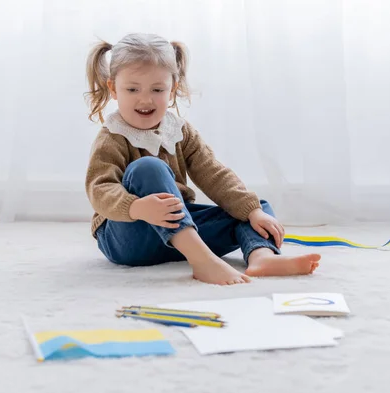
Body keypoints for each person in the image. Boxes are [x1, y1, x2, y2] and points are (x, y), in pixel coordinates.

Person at [84, 33, 320, 285]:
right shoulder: (113, 136)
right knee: (148, 167)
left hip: (178, 236)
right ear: (113, 89)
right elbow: (100, 189)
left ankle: (261, 256)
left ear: (172, 89)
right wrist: (135, 207)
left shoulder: (180, 131)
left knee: (253, 208)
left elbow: (214, 174)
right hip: (128, 238)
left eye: (157, 89)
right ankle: (202, 260)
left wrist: (251, 211)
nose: (145, 99)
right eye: (132, 89)